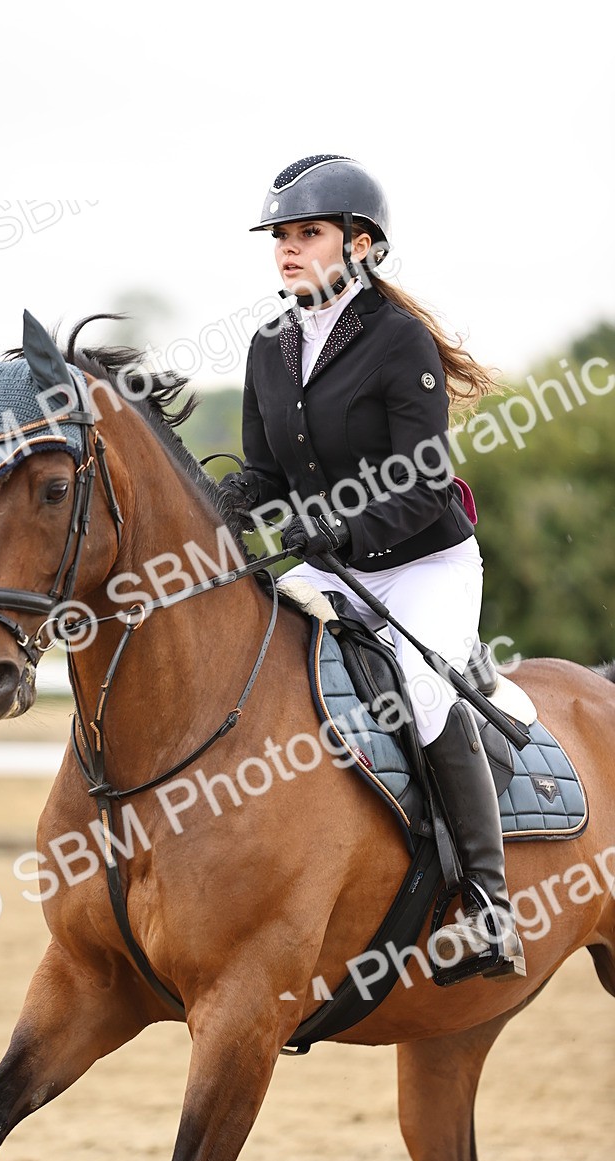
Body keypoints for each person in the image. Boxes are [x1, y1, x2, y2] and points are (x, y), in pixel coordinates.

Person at [220, 154, 525, 980]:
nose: (288, 249)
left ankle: (488, 907)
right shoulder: (269, 345)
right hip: (329, 562)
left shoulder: (399, 341)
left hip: (423, 563)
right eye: (280, 236)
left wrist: (338, 533)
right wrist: (223, 503)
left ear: (360, 246)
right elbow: (266, 474)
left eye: (307, 233)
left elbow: (424, 481)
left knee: (419, 692)